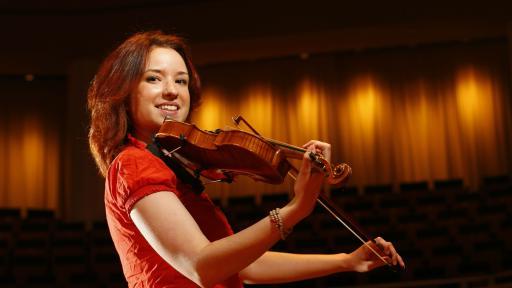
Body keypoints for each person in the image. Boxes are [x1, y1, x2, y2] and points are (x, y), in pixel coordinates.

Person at [87, 31, 405, 288]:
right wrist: (295, 210)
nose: (172, 91)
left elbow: (242, 266)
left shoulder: (170, 165)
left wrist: (345, 261)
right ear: (124, 92)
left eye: (181, 81)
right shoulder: (134, 163)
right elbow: (201, 267)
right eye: (154, 79)